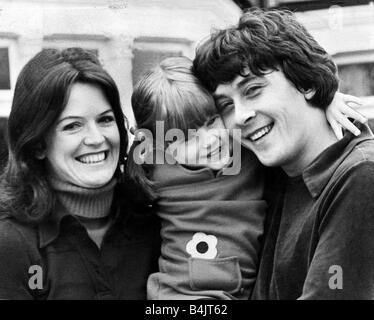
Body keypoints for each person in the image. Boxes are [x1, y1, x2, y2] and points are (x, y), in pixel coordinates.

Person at [127, 56, 364, 300]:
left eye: (211, 122)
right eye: (187, 137)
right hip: (181, 295)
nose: (209, 140)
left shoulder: (248, 152)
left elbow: (293, 116)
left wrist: (326, 99)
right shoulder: (158, 172)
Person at [193, 8, 374, 299]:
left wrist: (322, 89)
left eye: (253, 89)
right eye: (226, 105)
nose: (239, 117)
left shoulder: (360, 176)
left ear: (306, 82)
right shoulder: (269, 167)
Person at [0, 48, 160, 300]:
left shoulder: (155, 224)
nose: (97, 139)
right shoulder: (11, 245)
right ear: (38, 144)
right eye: (72, 125)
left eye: (106, 120)